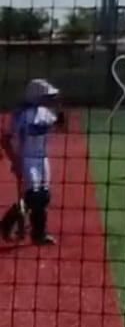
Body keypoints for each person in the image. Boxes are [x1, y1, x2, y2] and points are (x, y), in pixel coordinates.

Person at [1, 80, 66, 245]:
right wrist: (14, 159)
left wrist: (60, 113)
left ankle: (34, 232)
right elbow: (7, 138)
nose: (49, 99)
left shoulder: (45, 113)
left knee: (43, 195)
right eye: (46, 96)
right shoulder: (21, 114)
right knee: (33, 196)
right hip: (27, 158)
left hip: (43, 158)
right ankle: (19, 227)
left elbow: (60, 127)